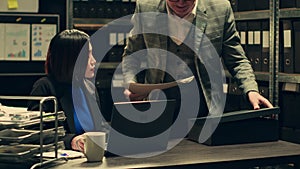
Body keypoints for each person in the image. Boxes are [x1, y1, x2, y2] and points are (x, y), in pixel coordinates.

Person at [122, 0, 273, 118]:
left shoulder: (221, 9)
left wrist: (251, 90)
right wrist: (132, 84)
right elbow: (131, 55)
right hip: (158, 106)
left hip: (205, 108)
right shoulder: (145, 7)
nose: (181, 3)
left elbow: (237, 59)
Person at [28, 29, 101, 152]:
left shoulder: (89, 87)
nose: (94, 61)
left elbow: (99, 128)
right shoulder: (44, 88)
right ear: (72, 59)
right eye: (88, 55)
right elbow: (35, 135)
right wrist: (71, 140)